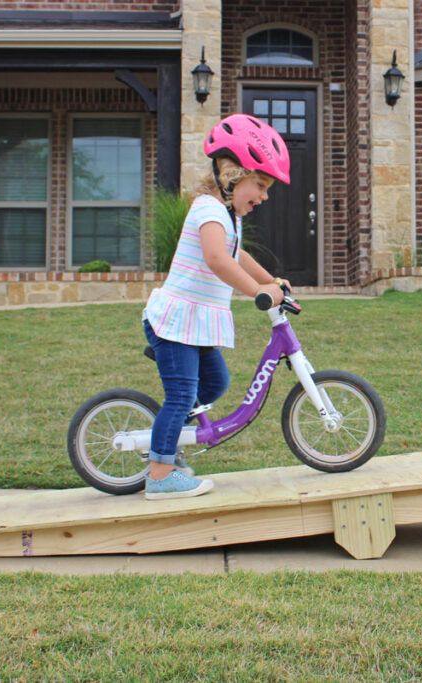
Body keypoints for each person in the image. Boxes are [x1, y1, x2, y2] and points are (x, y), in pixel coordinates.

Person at [141, 114, 292, 500]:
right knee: (180, 395)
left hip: (196, 323)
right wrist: (256, 294)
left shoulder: (228, 217)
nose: (264, 196)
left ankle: (168, 441)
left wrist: (269, 282)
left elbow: (236, 255)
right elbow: (217, 260)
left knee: (214, 384)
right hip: (177, 323)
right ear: (232, 174)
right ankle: (160, 473)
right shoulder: (208, 210)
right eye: (260, 184)